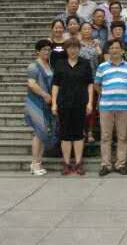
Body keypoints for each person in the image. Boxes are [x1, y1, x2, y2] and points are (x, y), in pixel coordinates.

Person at [51, 38, 94, 176]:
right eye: (70, 48)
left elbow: (90, 84)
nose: (73, 50)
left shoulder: (85, 63)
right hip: (63, 103)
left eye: (75, 47)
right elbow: (55, 85)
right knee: (65, 134)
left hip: (80, 103)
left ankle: (79, 162)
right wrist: (54, 103)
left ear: (79, 49)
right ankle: (66, 163)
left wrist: (90, 102)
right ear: (66, 49)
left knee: (79, 133)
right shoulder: (60, 64)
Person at [95, 39, 127, 176]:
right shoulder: (102, 66)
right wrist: (105, 94)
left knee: (123, 136)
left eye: (117, 48)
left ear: (122, 51)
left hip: (124, 106)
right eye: (111, 48)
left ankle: (120, 164)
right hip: (106, 106)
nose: (114, 50)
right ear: (108, 51)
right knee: (105, 136)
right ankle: (106, 164)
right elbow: (96, 84)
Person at [25, 39, 57, 176]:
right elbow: (31, 84)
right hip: (36, 102)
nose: (47, 52)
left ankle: (38, 162)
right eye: (44, 49)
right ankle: (34, 163)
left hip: (47, 103)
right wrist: (45, 95)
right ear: (37, 51)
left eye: (49, 50)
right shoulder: (33, 66)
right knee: (39, 133)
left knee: (44, 133)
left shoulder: (49, 65)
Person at [80, 22, 102, 144]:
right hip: (80, 80)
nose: (87, 31)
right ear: (81, 31)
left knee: (92, 106)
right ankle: (82, 131)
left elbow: (100, 58)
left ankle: (90, 132)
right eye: (84, 29)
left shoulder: (96, 43)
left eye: (89, 29)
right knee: (81, 106)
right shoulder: (77, 44)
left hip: (94, 79)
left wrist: (98, 46)